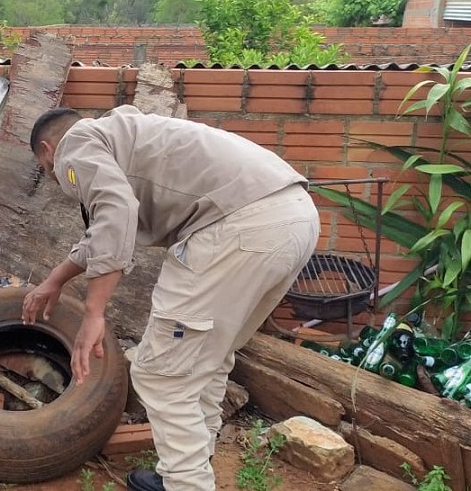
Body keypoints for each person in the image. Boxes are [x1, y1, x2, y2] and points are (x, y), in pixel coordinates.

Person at [22, 105, 319, 491]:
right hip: (293, 217)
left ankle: (187, 484)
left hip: (236, 227)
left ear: (48, 149)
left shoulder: (74, 146)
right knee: (208, 359)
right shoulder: (124, 134)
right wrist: (55, 280)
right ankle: (189, 467)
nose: (56, 177)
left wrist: (94, 313)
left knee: (159, 373)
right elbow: (102, 230)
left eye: (48, 171)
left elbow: (116, 213)